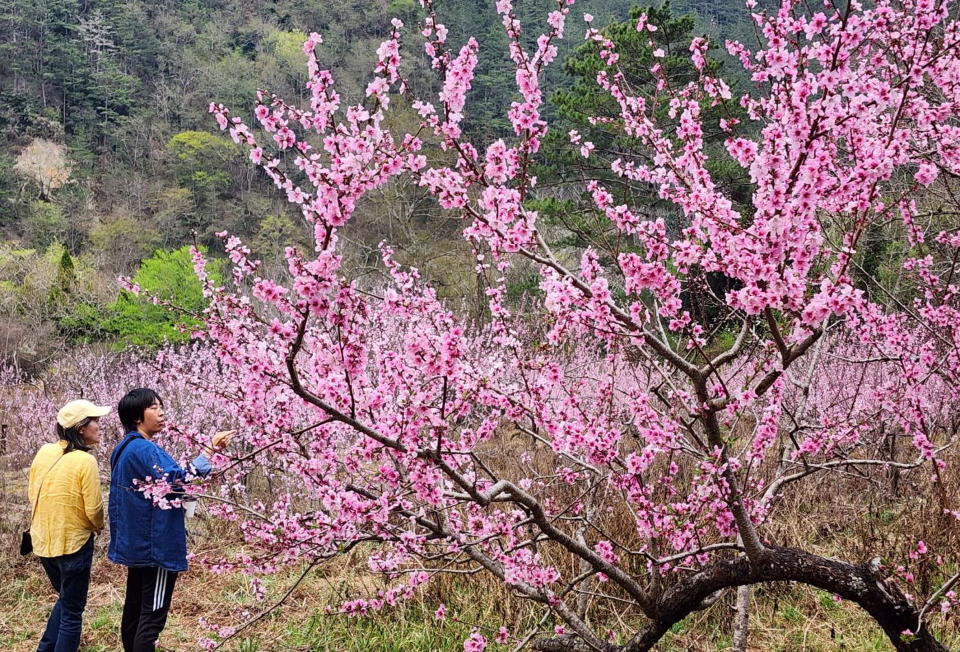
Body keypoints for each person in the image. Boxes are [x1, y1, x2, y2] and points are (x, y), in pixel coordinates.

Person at [108, 388, 233, 652]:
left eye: (160, 405)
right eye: (153, 407)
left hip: (137, 544)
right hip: (156, 547)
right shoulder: (144, 449)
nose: (162, 411)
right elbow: (178, 481)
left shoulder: (125, 448)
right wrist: (209, 450)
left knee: (134, 612)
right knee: (152, 617)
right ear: (137, 417)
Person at [28, 399, 111, 652]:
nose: (99, 426)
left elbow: (32, 493)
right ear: (80, 429)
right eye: (94, 421)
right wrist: (98, 526)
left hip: (43, 542)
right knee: (73, 611)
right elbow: (94, 509)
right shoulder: (85, 461)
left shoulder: (44, 452)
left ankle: (45, 649)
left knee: (66, 600)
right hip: (73, 544)